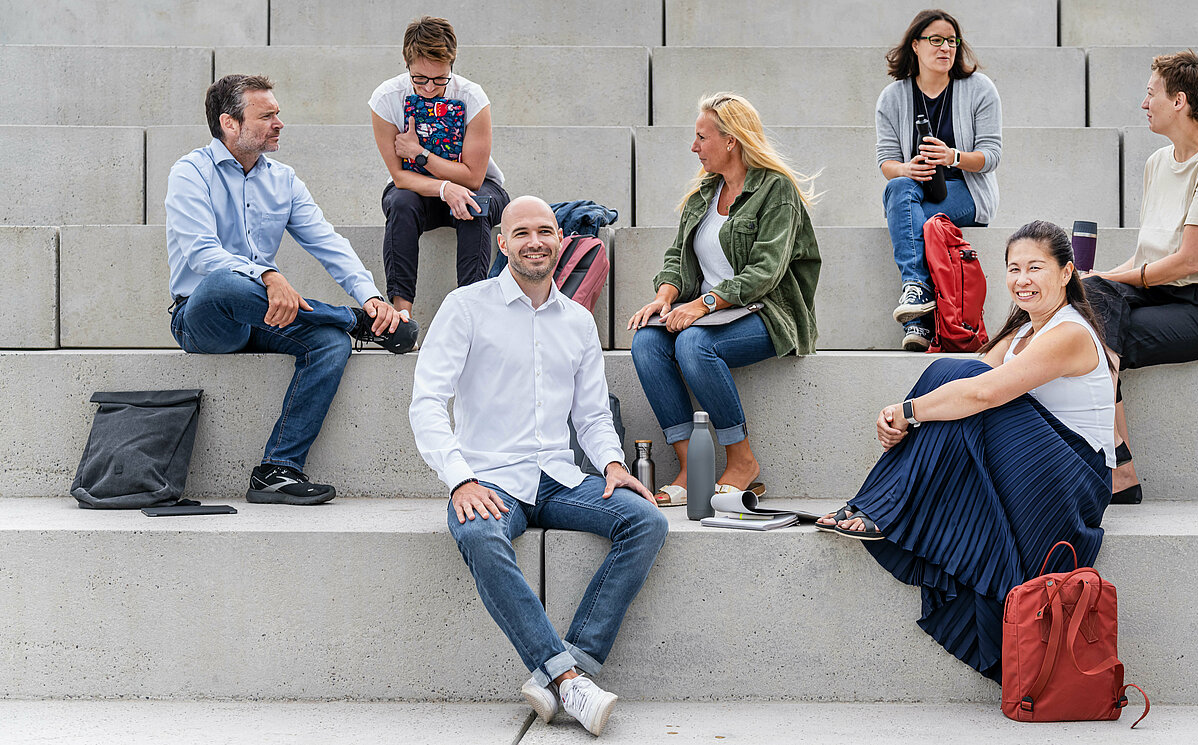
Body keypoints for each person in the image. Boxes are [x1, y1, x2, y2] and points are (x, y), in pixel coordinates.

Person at [410, 196, 664, 737]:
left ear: (561, 240)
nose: (535, 241)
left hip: (560, 479)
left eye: (545, 231)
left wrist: (614, 463)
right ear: (502, 244)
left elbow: (593, 415)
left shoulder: (576, 321)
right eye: (520, 232)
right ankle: (569, 677)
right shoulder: (466, 306)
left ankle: (564, 670)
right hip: (489, 479)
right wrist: (459, 479)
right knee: (480, 536)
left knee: (647, 520)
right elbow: (427, 403)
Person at [819, 220, 1115, 681]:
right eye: (1014, 268)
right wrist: (906, 414)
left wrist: (908, 411)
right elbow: (968, 381)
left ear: (1066, 273)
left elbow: (982, 395)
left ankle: (879, 506)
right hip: (1036, 467)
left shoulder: (1070, 332)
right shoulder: (1022, 333)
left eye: (1036, 267)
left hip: (1070, 484)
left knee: (958, 383)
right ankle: (880, 505)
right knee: (952, 372)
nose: (1022, 279)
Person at [165, 74, 417, 505]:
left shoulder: (282, 179)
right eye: (267, 115)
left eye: (278, 113)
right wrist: (266, 275)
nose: (279, 122)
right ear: (230, 124)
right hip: (204, 316)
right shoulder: (190, 173)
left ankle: (277, 470)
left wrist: (371, 297)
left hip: (266, 314)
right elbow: (201, 253)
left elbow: (328, 243)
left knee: (330, 343)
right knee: (225, 281)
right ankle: (352, 321)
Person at [625, 92, 821, 508]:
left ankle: (742, 460)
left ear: (730, 140)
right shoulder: (703, 194)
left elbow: (765, 273)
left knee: (693, 344)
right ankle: (690, 466)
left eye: (701, 137)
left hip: (770, 313)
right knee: (646, 341)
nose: (693, 147)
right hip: (713, 314)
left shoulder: (776, 192)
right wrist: (666, 296)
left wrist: (704, 305)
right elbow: (677, 258)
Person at [1082, 50, 1198, 504]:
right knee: (1087, 296)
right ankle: (1119, 466)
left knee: (1090, 340)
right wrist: (1095, 279)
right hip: (1159, 292)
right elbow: (1147, 257)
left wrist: (1116, 279)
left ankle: (1115, 468)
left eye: (1150, 93)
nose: (1144, 103)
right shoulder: (1157, 163)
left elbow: (1189, 261)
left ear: (1179, 101)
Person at [877, 9, 1002, 351]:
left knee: (915, 218)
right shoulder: (893, 97)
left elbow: (991, 155)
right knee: (898, 188)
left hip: (968, 193)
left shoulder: (979, 89)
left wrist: (953, 157)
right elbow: (886, 162)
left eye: (951, 40)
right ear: (915, 46)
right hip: (915, 190)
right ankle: (918, 306)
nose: (945, 47)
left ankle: (916, 312)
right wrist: (907, 169)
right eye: (935, 40)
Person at [370, 15, 510, 319]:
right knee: (401, 202)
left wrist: (419, 153)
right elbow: (399, 177)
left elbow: (473, 176)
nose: (430, 87)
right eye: (420, 79)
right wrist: (445, 188)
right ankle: (401, 313)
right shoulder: (386, 99)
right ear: (406, 64)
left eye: (440, 79)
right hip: (419, 191)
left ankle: (473, 312)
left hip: (480, 185)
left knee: (475, 204)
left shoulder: (472, 96)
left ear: (452, 65)